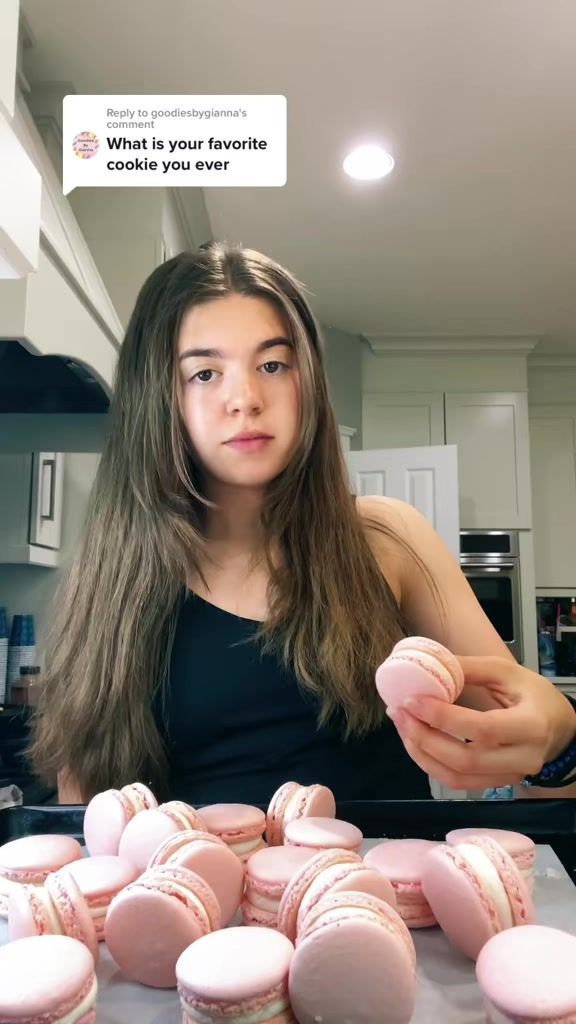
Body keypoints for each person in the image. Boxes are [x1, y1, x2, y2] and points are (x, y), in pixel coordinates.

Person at [29, 242, 576, 804]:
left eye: (272, 365)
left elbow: (531, 755)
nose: (245, 398)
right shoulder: (108, 584)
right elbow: (86, 823)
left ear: (306, 380)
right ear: (158, 398)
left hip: (380, 887)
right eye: (204, 373)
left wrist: (560, 738)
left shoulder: (388, 540)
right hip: (204, 890)